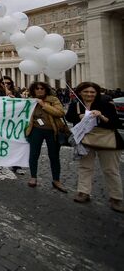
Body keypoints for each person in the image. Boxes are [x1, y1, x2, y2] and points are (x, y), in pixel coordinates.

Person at [66, 82, 123, 213]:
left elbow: (116, 123)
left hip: (108, 140)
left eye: (92, 92)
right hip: (86, 140)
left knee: (111, 170)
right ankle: (83, 192)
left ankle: (116, 197)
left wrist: (101, 116)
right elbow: (69, 117)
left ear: (97, 93)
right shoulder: (76, 104)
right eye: (86, 92)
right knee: (85, 167)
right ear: (80, 92)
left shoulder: (105, 103)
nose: (89, 94)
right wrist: (79, 117)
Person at [25, 82, 67, 192]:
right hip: (35, 130)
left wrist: (44, 105)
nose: (39, 90)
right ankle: (33, 177)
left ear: (46, 90)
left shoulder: (53, 100)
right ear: (33, 90)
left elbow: (60, 113)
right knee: (34, 154)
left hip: (52, 131)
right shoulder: (29, 100)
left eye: (42, 88)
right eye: (37, 89)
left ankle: (56, 180)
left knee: (54, 156)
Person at [0, 75, 25, 175]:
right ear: (0, 84)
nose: (6, 85)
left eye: (8, 83)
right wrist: (4, 98)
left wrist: (13, 98)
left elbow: (21, 105)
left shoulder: (16, 93)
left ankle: (16, 165)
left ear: (11, 84)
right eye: (3, 83)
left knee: (15, 143)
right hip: (0, 122)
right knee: (0, 143)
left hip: (13, 122)